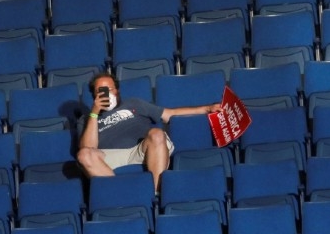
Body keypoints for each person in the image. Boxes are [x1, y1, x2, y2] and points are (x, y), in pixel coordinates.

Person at [76, 72, 222, 192]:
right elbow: (89, 148)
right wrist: (94, 113)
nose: (106, 94)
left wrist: (207, 109)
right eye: (100, 91)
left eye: (110, 89)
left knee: (157, 134)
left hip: (141, 150)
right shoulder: (87, 119)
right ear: (94, 96)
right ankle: (120, 194)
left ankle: (154, 195)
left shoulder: (134, 103)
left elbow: (170, 114)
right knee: (83, 155)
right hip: (110, 156)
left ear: (117, 90)